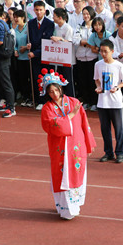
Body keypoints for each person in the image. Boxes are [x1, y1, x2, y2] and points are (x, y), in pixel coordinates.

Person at [40, 69, 96, 220]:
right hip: (59, 148)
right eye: (50, 92)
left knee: (76, 173)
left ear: (60, 88)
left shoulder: (74, 102)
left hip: (76, 147)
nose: (54, 94)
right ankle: (64, 207)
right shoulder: (47, 108)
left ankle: (75, 204)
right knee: (61, 175)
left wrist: (88, 144)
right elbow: (52, 125)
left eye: (56, 90)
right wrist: (70, 115)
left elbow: (84, 124)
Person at [94, 39, 123, 163]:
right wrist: (98, 86)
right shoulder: (98, 65)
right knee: (105, 129)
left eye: (106, 51)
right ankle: (108, 153)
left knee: (119, 129)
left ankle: (119, 153)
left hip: (116, 102)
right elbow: (97, 79)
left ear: (112, 51)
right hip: (103, 102)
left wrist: (117, 87)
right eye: (101, 51)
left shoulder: (118, 65)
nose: (103, 54)